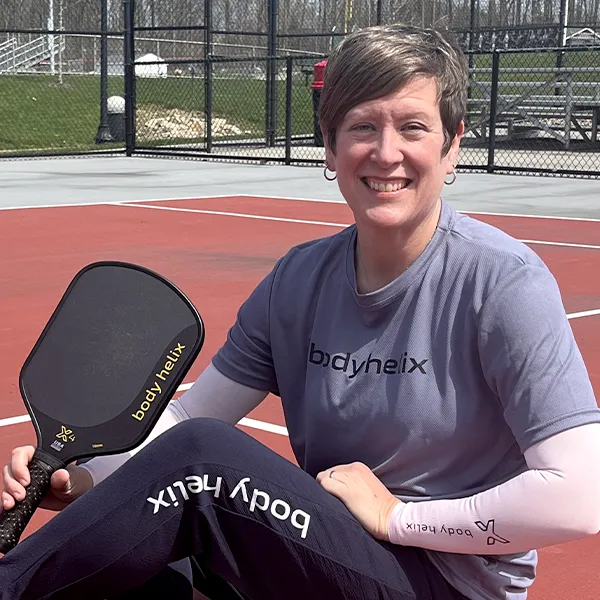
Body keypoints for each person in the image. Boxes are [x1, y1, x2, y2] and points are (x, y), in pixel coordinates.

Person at [1, 23, 600, 600]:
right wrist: (82, 480)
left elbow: (580, 497)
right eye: (362, 126)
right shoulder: (298, 278)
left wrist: (397, 518)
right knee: (133, 557)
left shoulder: (502, 281)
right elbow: (183, 422)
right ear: (331, 146)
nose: (386, 152)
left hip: (446, 581)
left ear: (452, 147)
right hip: (329, 551)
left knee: (206, 464)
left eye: (413, 128)